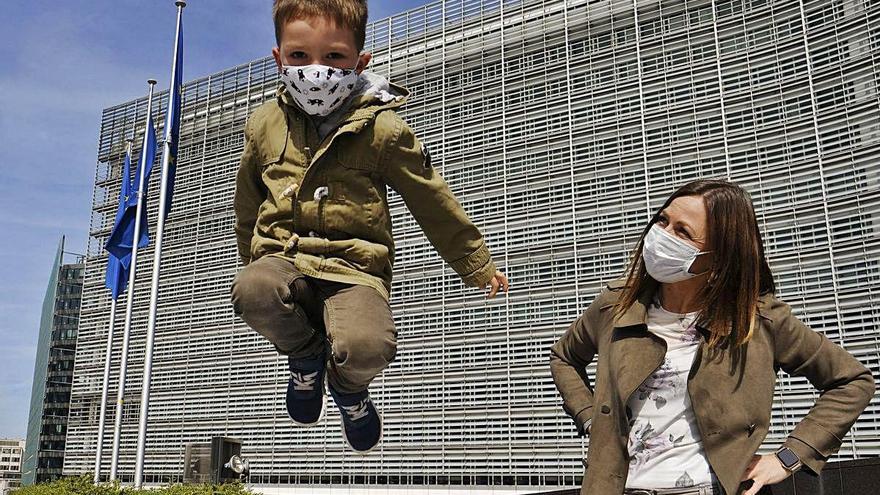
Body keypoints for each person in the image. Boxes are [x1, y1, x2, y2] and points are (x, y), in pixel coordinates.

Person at [231, 0, 509, 453]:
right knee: (252, 289)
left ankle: (349, 390)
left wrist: (475, 263)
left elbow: (429, 197)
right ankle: (306, 359)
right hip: (285, 256)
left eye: (334, 57)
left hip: (355, 268)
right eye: (300, 57)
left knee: (369, 347)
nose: (316, 70)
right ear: (279, 58)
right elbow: (249, 198)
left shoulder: (383, 128)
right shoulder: (265, 124)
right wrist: (253, 261)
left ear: (360, 61)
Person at [550, 179, 874, 495]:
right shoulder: (616, 305)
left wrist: (789, 457)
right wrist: (591, 416)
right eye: (663, 220)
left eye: (683, 232)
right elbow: (564, 357)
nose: (661, 235)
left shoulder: (757, 319)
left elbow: (851, 381)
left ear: (718, 256)